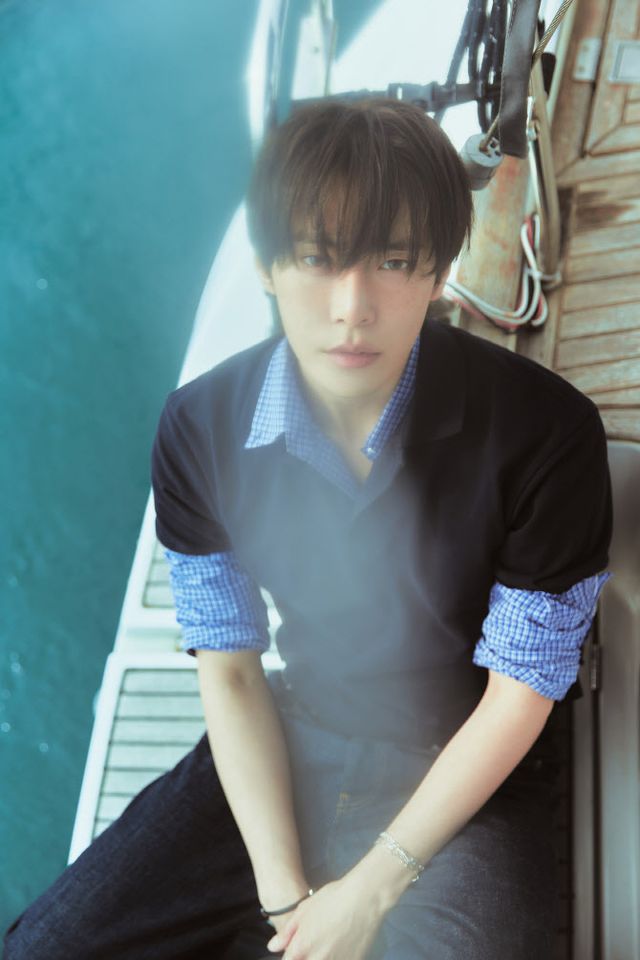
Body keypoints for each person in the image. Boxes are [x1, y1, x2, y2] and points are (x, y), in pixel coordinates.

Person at [3, 97, 612, 960]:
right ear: (265, 263)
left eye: (392, 261)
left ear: (441, 269)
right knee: (47, 946)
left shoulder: (544, 433)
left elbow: (518, 695)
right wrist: (285, 896)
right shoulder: (200, 429)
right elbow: (231, 669)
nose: (352, 307)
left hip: (469, 772)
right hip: (298, 730)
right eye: (319, 259)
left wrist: (372, 888)